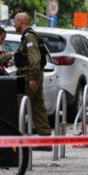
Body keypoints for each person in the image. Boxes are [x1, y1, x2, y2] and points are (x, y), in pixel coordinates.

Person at [12, 13, 52, 151]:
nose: (13, 24)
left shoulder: (29, 36)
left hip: (29, 77)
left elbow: (34, 59)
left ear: (21, 21)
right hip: (33, 75)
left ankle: (16, 142)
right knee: (38, 107)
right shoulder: (29, 35)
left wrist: (33, 78)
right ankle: (45, 140)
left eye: (15, 21)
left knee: (20, 107)